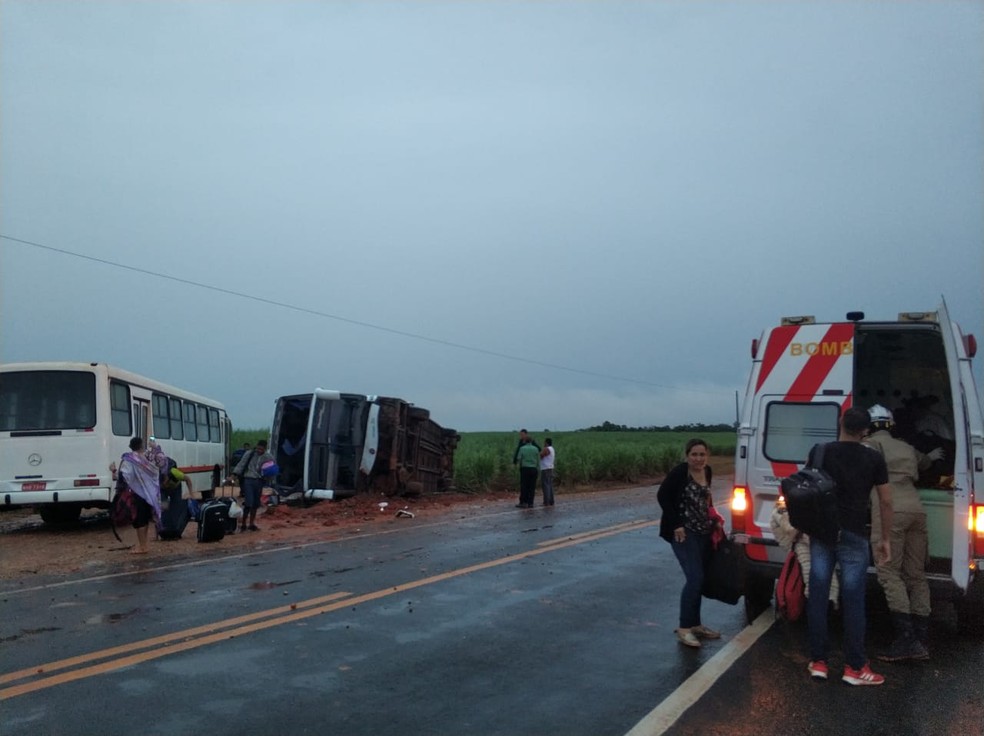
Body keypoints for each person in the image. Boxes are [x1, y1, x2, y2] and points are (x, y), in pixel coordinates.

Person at [806, 407, 892, 686]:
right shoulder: (874, 458)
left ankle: (818, 662)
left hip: (822, 533)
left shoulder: (819, 451)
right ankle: (854, 667)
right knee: (854, 599)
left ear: (840, 423)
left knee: (818, 594)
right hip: (854, 533)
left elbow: (808, 489)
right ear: (866, 430)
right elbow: (886, 501)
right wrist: (885, 539)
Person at [865, 404, 943, 661]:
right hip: (916, 511)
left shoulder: (868, 446)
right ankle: (922, 639)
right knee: (916, 574)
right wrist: (933, 454)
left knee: (889, 573)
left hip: (890, 513)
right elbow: (927, 461)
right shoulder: (906, 447)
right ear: (891, 424)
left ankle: (906, 640)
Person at [657, 438, 723, 648]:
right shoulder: (680, 472)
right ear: (687, 456)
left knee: (700, 579)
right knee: (694, 578)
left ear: (707, 455)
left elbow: (706, 500)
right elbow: (663, 496)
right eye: (694, 454)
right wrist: (676, 524)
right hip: (684, 534)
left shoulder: (708, 471)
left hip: (704, 531)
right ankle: (685, 628)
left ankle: (695, 624)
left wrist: (715, 519)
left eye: (702, 454)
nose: (698, 458)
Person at [116, 437, 166, 554]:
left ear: (131, 446)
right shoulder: (149, 457)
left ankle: (142, 547)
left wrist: (114, 472)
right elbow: (162, 464)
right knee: (145, 519)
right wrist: (155, 447)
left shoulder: (129, 459)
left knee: (139, 521)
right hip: (151, 494)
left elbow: (125, 476)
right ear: (141, 445)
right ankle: (144, 545)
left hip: (137, 493)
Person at [232, 439, 273, 531]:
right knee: (248, 503)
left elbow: (272, 469)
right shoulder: (249, 454)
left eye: (261, 449)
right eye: (258, 448)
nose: (259, 451)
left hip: (259, 481)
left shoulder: (268, 457)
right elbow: (241, 464)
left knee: (255, 503)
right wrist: (234, 475)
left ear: (265, 449)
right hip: (248, 480)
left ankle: (251, 524)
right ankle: (243, 524)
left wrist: (269, 478)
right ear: (256, 446)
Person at [515, 438, 540, 509]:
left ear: (525, 442)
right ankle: (531, 503)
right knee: (532, 487)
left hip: (525, 469)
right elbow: (538, 460)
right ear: (531, 441)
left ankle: (523, 502)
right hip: (534, 469)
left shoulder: (522, 448)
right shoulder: (536, 449)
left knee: (524, 486)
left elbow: (519, 458)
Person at [539, 438, 555, 507]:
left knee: (545, 485)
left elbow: (541, 455)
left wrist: (540, 452)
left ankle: (546, 502)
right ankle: (551, 501)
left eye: (544, 442)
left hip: (546, 468)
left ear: (547, 443)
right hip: (550, 468)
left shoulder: (547, 449)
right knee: (550, 485)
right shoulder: (552, 449)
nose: (544, 443)